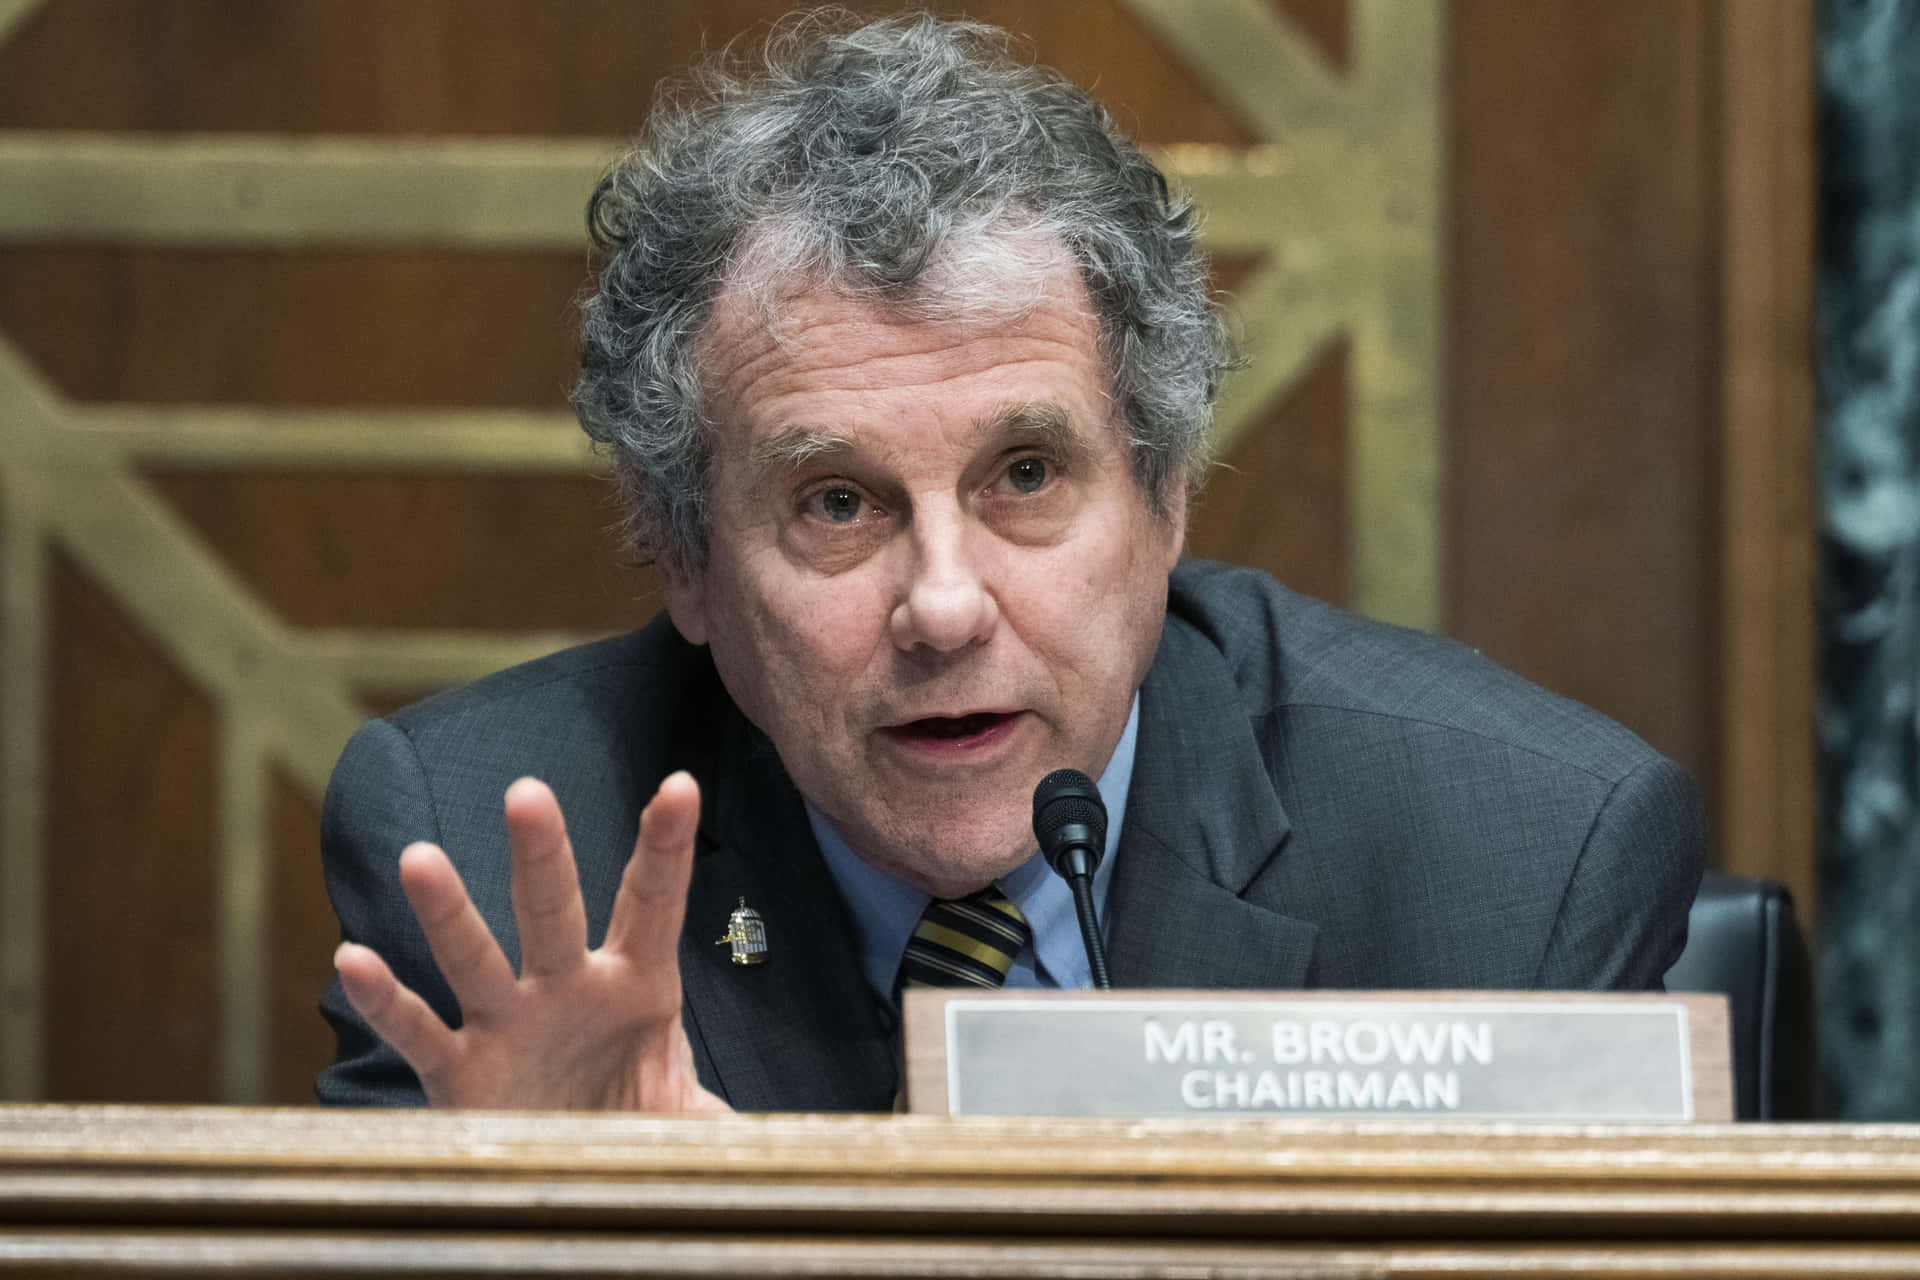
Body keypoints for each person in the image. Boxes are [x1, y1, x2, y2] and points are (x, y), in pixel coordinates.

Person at [317, 10, 1704, 1111]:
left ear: (1165, 502)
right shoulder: (495, 883)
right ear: (685, 562)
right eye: (838, 505)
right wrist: (560, 1230)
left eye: (1025, 478)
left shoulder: (1514, 869)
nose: (942, 605)